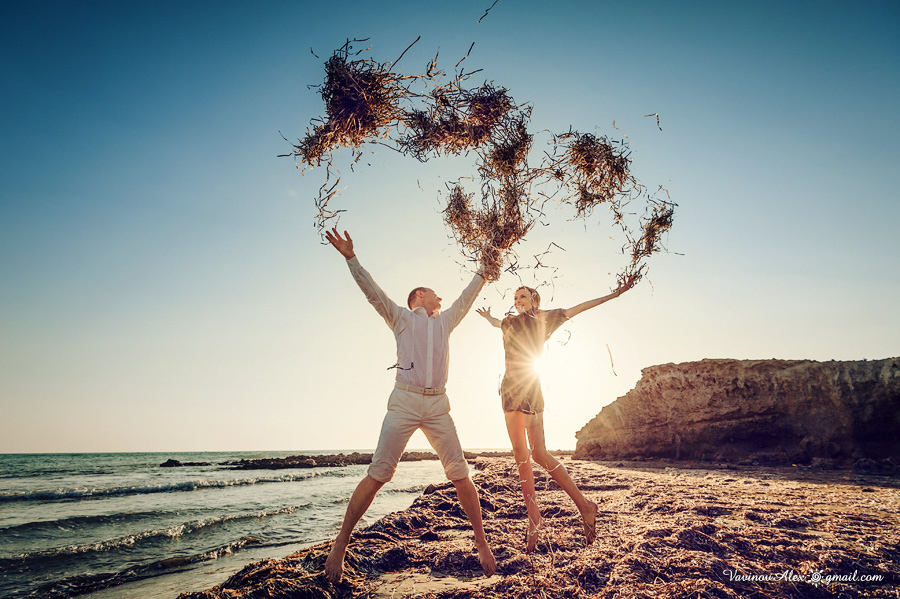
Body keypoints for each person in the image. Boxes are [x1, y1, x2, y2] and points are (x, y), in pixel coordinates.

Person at [322, 227, 497, 583]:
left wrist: (488, 260)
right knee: (379, 473)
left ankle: (481, 542)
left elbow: (468, 293)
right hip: (403, 401)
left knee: (460, 473)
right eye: (434, 292)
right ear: (419, 296)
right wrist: (351, 259)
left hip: (438, 406)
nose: (441, 296)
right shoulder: (400, 317)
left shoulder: (446, 320)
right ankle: (341, 542)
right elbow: (373, 293)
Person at [476, 277, 636, 553]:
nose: (518, 302)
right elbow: (495, 324)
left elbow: (581, 307)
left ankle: (536, 518)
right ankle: (584, 506)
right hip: (519, 387)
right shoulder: (508, 322)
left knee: (526, 453)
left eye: (523, 297)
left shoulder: (545, 319)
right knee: (535, 453)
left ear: (535, 300)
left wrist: (615, 294)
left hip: (524, 387)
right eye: (515, 299)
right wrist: (490, 316)